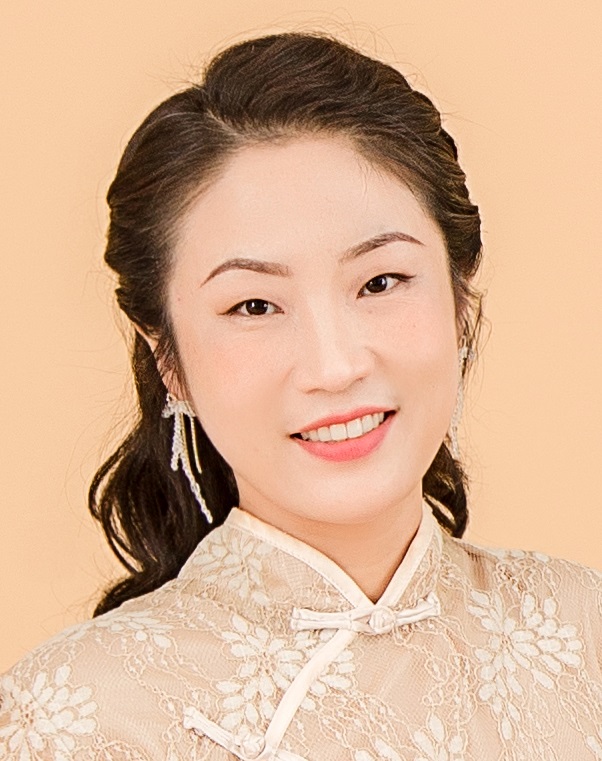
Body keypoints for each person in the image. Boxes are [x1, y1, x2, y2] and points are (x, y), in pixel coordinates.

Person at [1, 32, 600, 761]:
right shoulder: (76, 717)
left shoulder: (585, 632)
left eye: (380, 282)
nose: (334, 366)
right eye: (254, 305)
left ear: (459, 302)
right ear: (169, 361)